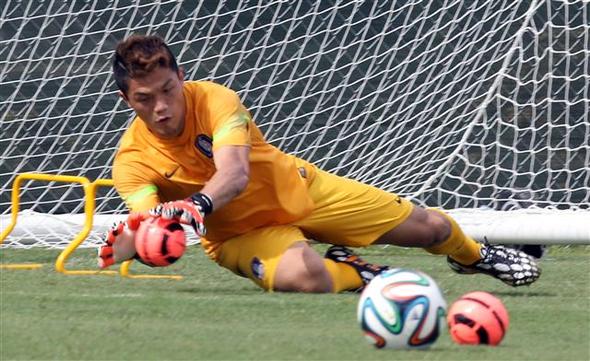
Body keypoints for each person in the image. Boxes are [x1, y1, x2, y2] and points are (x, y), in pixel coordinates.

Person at [98, 34, 540, 292]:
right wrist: (139, 240)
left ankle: (475, 256)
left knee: (433, 229)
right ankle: (362, 274)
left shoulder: (214, 98)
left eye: (168, 90)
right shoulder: (131, 159)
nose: (161, 106)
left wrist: (194, 207)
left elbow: (234, 174)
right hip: (240, 235)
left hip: (301, 189)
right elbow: (146, 219)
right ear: (126, 99)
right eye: (145, 98)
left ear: (180, 77)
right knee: (304, 277)